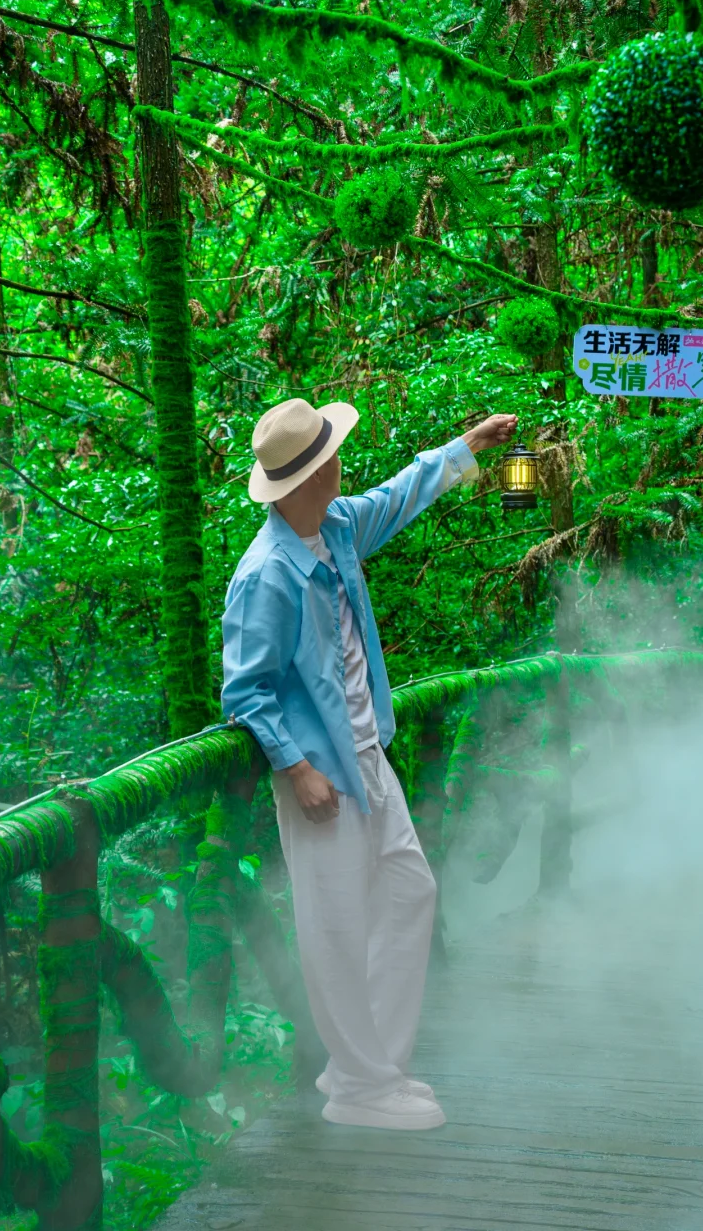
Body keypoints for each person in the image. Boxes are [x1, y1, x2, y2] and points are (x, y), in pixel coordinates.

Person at [221, 397, 517, 1131]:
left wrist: (469, 444)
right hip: (320, 772)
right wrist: (295, 768)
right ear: (312, 475)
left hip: (368, 756)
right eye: (331, 455)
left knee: (411, 891)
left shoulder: (337, 527)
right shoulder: (266, 574)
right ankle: (361, 1084)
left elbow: (399, 494)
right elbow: (245, 690)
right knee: (335, 928)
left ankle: (370, 1069)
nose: (341, 463)